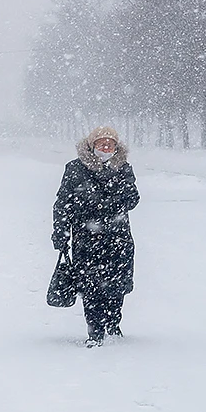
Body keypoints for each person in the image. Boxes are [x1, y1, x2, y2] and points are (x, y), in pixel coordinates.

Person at [51, 126, 140, 347]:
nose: (106, 147)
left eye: (110, 143)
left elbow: (132, 198)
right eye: (101, 143)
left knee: (117, 284)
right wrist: (60, 232)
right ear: (92, 146)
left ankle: (113, 324)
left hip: (118, 238)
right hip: (87, 239)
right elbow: (63, 203)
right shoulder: (75, 169)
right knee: (91, 286)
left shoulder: (123, 169)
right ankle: (95, 330)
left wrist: (106, 204)